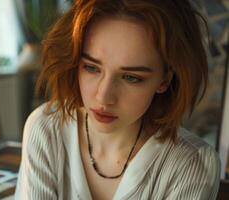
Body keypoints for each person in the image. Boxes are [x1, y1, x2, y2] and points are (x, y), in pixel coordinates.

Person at [15, 0, 221, 199]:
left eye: (132, 78)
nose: (103, 96)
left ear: (165, 80)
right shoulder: (46, 129)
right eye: (91, 68)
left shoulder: (192, 163)